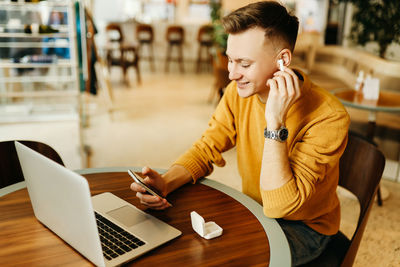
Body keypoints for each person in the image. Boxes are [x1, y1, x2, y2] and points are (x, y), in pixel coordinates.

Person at [130, 1, 350, 266]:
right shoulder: (239, 92)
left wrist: (274, 123)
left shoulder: (329, 117)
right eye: (230, 59)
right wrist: (166, 183)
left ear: (283, 60)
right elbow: (207, 146)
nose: (232, 74)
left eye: (244, 64)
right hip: (256, 209)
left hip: (305, 228)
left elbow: (280, 206)